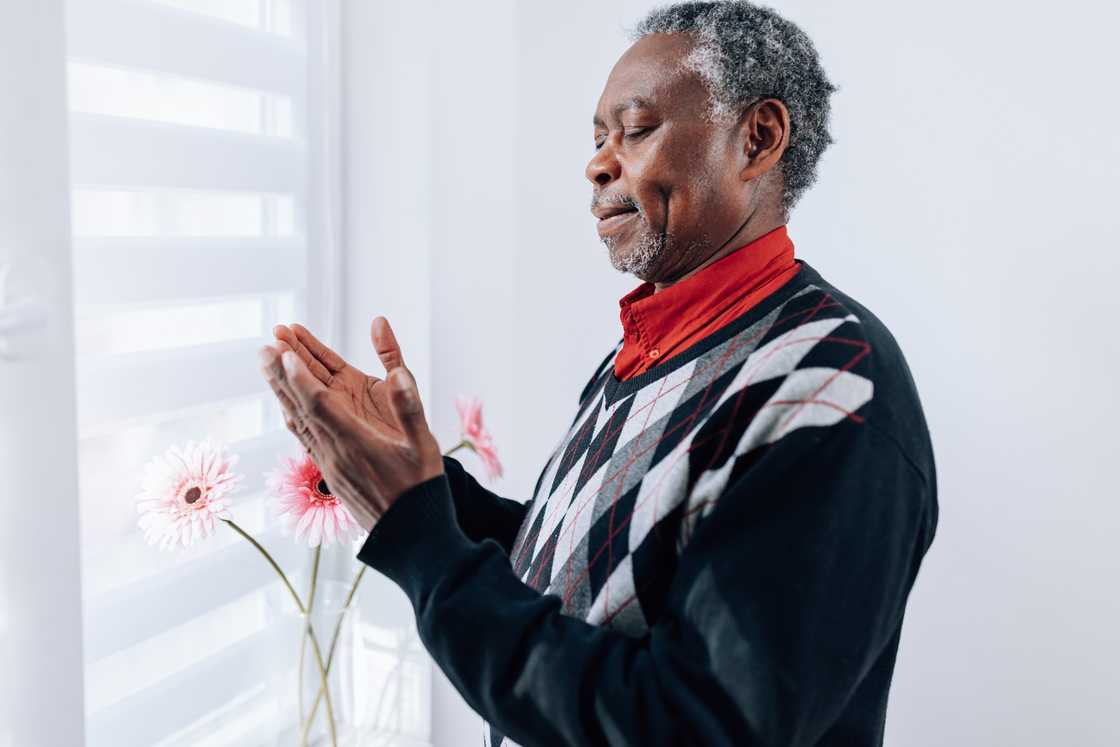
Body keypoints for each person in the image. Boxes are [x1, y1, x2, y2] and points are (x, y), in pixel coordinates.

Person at [259, 2, 938, 745]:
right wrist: (420, 486)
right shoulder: (652, 346)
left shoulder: (831, 388)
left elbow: (687, 724)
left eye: (637, 129)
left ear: (758, 138)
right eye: (597, 138)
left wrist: (425, 546)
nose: (597, 162)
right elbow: (598, 582)